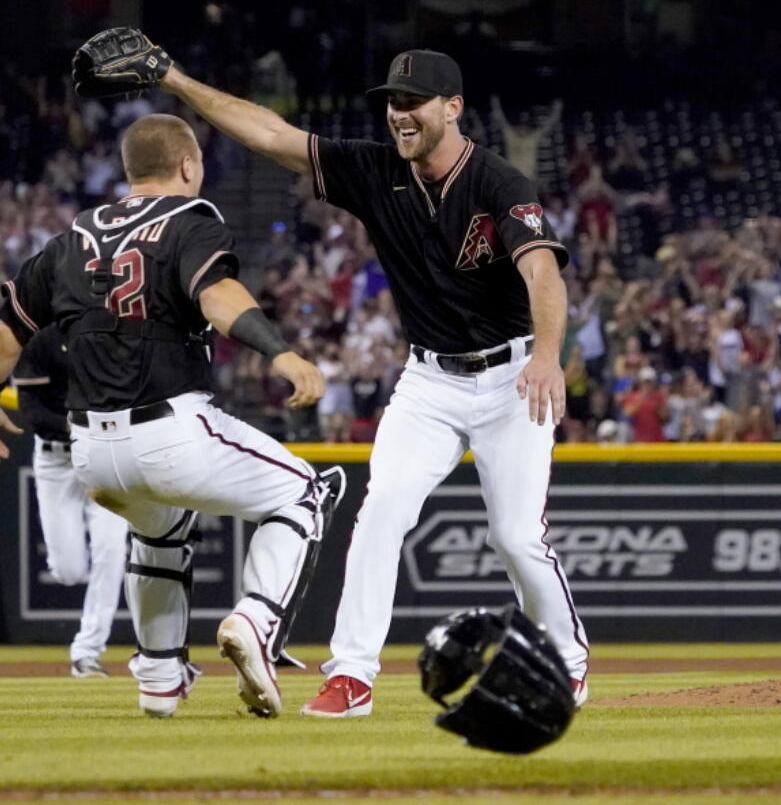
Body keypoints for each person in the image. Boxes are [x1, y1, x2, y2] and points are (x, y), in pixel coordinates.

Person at [141, 40, 589, 715]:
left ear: (454, 107)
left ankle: (564, 660)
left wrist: (548, 352)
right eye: (391, 104)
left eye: (412, 103)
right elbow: (271, 133)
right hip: (429, 380)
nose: (398, 115)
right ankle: (351, 674)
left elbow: (541, 271)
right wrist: (175, 79)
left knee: (517, 536)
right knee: (381, 510)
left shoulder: (498, 181)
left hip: (510, 376)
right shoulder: (376, 170)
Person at [0, 114, 345, 719]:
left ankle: (162, 677)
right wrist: (282, 352)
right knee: (306, 491)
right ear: (189, 166)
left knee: (159, 535)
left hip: (88, 449)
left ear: (128, 171)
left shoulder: (70, 239)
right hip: (170, 428)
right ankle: (255, 621)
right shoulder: (190, 220)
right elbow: (216, 296)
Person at [13, 324, 128, 678]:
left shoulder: (112, 333)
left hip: (105, 454)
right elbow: (32, 412)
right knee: (69, 571)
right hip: (57, 459)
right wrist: (78, 425)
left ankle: (86, 652)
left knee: (111, 551)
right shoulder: (41, 338)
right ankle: (86, 647)